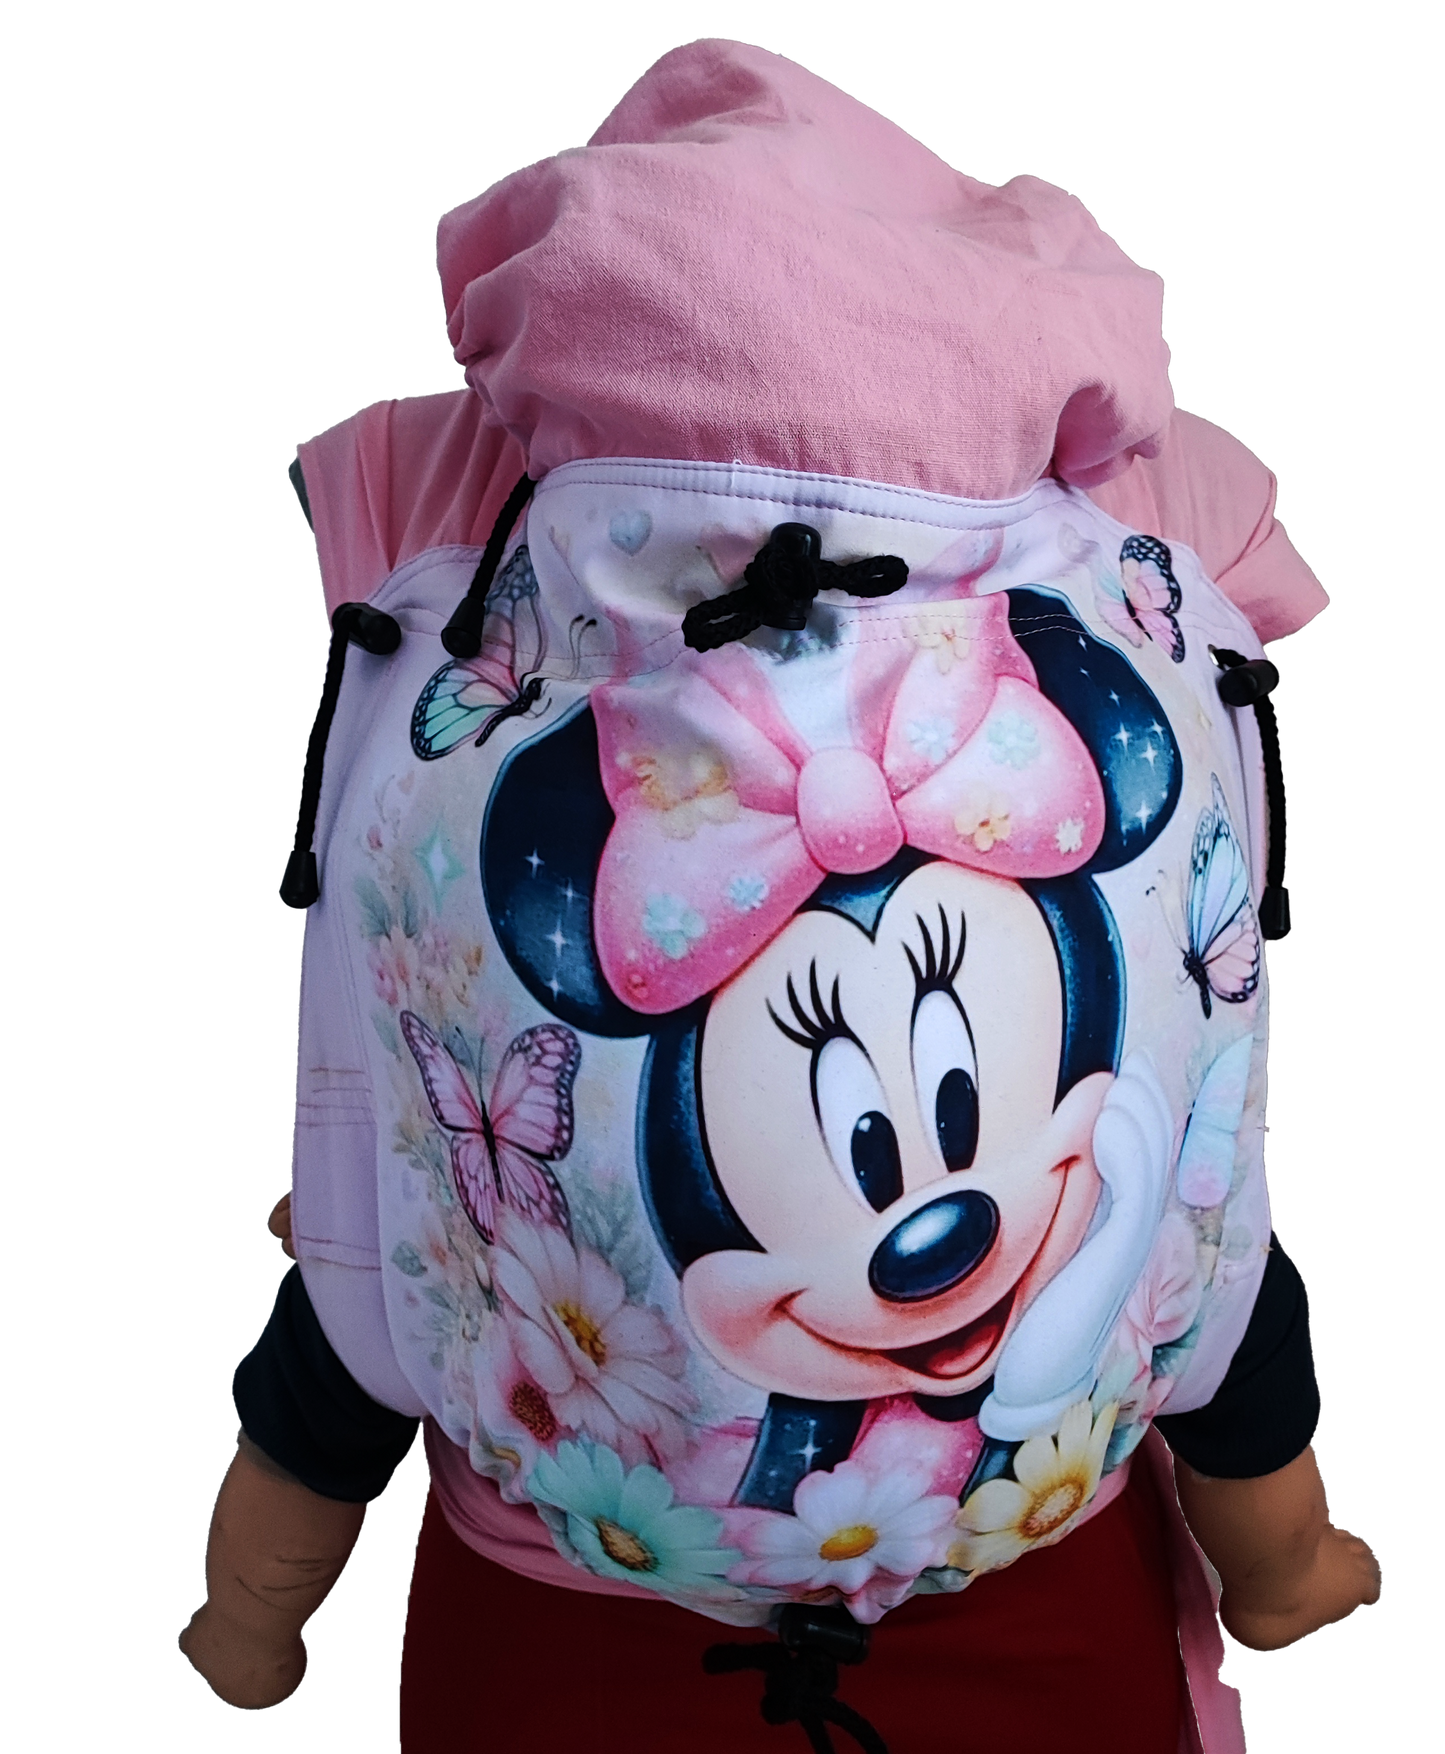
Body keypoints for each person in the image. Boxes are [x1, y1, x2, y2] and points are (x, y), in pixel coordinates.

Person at [178, 38, 1381, 1753]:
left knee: (338, 1338)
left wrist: (258, 1617)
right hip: (1051, 1585)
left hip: (547, 1619)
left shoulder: (435, 483)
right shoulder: (1142, 493)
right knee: (1232, 1302)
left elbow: (334, 1368)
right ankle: (1289, 1573)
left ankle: (243, 1618)